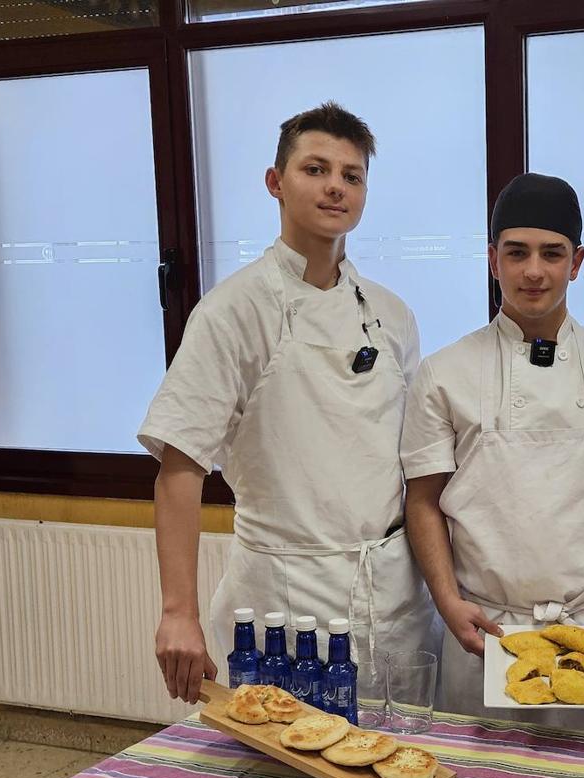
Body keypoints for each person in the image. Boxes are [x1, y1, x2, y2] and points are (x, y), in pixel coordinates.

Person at [142, 102, 441, 704]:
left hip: (390, 586)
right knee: (283, 777)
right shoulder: (234, 311)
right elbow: (180, 465)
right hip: (285, 594)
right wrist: (178, 610)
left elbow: (415, 465)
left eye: (351, 176)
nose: (335, 187)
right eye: (315, 169)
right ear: (276, 183)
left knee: (391, 759)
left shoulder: (392, 315)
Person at [400, 173, 584, 736]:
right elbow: (422, 500)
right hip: (485, 629)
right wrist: (448, 601)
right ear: (493, 259)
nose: (534, 271)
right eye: (516, 252)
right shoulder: (445, 373)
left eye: (552, 254)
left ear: (577, 262)